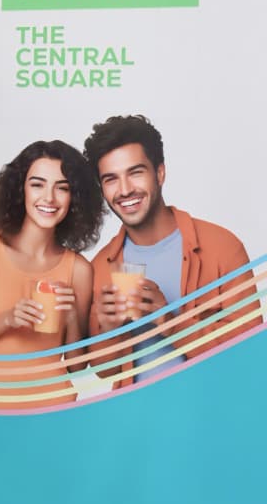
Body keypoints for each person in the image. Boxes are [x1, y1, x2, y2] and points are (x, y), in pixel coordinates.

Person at [84, 114, 260, 385]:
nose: (125, 190)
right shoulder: (100, 267)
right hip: (138, 411)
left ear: (160, 173)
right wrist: (109, 330)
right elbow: (104, 370)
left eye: (135, 173)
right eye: (111, 179)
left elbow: (249, 353)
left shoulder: (223, 247)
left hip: (208, 409)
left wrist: (169, 320)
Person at [0, 140, 101, 410]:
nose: (49, 198)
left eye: (62, 188)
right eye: (37, 184)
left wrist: (71, 316)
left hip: (55, 409)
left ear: (75, 197)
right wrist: (8, 318)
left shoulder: (79, 269)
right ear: (20, 189)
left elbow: (76, 365)